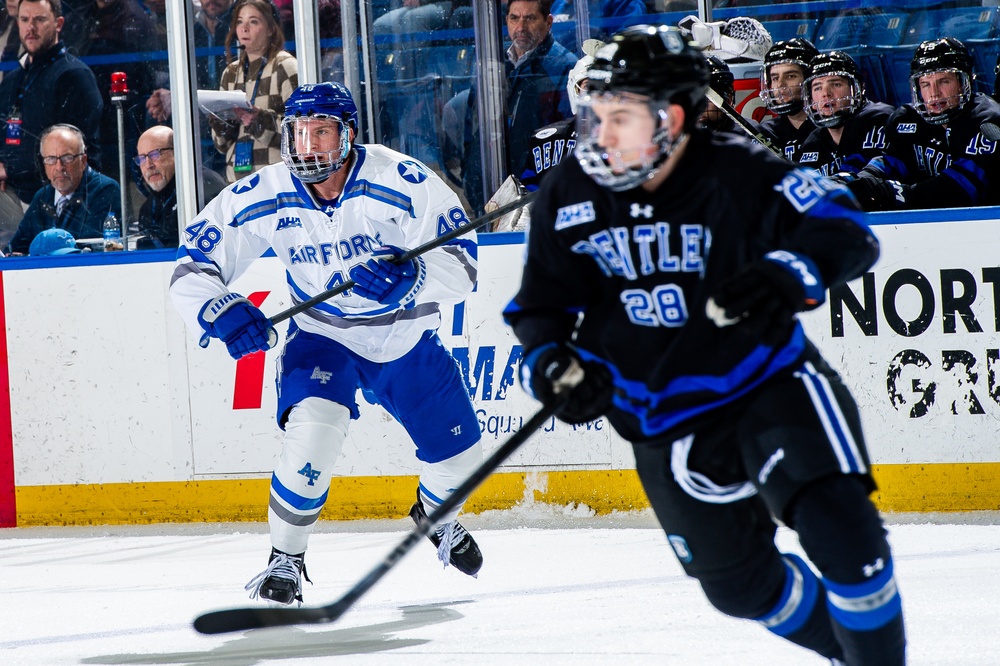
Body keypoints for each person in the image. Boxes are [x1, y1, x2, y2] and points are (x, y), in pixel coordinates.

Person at [503, 25, 905, 665]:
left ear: (675, 118)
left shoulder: (738, 170)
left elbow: (846, 229)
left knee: (847, 542)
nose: (601, 136)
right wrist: (551, 363)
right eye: (595, 116)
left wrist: (788, 272)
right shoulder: (569, 194)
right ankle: (855, 653)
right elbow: (539, 308)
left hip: (768, 387)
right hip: (662, 419)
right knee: (743, 590)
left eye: (621, 119)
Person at [169, 82, 485, 605]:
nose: (308, 144)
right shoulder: (267, 189)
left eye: (321, 131)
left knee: (460, 458)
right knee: (314, 432)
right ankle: (286, 559)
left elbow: (464, 262)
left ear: (348, 135)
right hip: (322, 334)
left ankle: (433, 514)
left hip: (401, 334)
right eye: (299, 132)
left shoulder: (401, 179)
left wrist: (415, 276)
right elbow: (192, 265)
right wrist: (220, 310)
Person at [448, 0, 576, 214]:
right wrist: (471, 175)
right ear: (506, 20)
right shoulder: (493, 65)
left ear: (549, 22)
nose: (521, 27)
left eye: (530, 18)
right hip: (490, 195)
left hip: (539, 199)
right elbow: (473, 130)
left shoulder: (565, 67)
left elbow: (567, 138)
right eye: (514, 18)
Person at [847, 37, 1000, 212]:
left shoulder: (988, 121)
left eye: (944, 81)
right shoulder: (906, 120)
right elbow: (892, 161)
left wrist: (893, 192)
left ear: (963, 82)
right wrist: (862, 181)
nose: (934, 93)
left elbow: (961, 189)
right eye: (925, 84)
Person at [0, 0, 103, 205]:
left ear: (58, 24)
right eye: (24, 19)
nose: (31, 27)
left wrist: (8, 169)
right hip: (13, 190)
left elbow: (72, 155)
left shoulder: (74, 75)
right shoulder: (13, 79)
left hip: (55, 198)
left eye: (39, 19)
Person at [208, 0, 298, 182]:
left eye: (254, 21)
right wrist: (220, 123)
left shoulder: (285, 66)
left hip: (277, 181)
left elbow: (302, 133)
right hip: (238, 183)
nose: (244, 28)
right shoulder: (230, 73)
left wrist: (260, 121)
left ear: (271, 29)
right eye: (240, 21)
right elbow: (221, 146)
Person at [9, 123, 119, 255]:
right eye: (51, 159)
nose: (59, 167)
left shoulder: (105, 189)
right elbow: (15, 247)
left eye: (67, 158)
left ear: (83, 161)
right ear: (42, 163)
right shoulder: (42, 196)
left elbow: (93, 250)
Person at [796, 51, 894, 177]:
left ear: (856, 89)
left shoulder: (881, 120)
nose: (826, 93)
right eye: (817, 88)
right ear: (811, 100)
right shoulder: (811, 145)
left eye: (836, 84)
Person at [133, 125, 226, 249]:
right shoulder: (148, 209)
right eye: (142, 158)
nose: (148, 165)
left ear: (177, 152)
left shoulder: (202, 188)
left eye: (155, 154)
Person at [758, 38, 819, 162]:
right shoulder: (764, 133)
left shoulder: (833, 129)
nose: (780, 85)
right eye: (775, 78)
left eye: (790, 76)